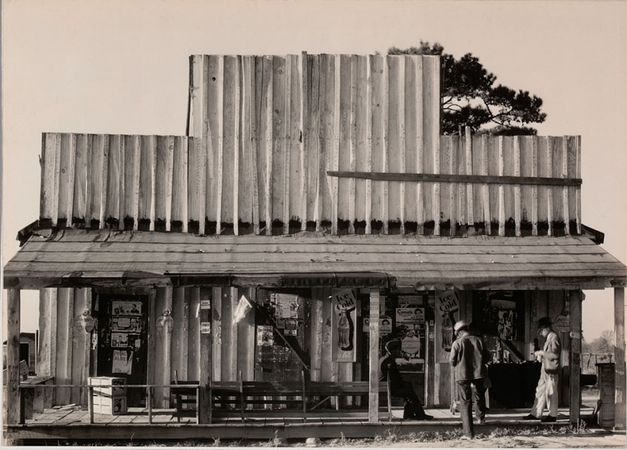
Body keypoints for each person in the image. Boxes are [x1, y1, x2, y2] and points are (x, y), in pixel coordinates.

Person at [449, 320, 491, 439]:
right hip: (479, 373)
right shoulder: (479, 340)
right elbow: (487, 357)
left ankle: (468, 433)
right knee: (479, 395)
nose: (456, 335)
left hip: (463, 375)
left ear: (460, 331)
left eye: (457, 332)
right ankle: (480, 418)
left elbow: (452, 361)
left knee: (465, 402)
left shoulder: (457, 343)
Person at [380, 339, 433, 420]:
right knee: (409, 391)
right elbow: (394, 377)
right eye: (398, 349)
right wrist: (403, 383)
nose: (399, 351)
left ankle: (411, 414)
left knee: (408, 389)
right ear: (393, 350)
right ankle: (418, 414)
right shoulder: (388, 362)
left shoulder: (385, 359)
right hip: (388, 387)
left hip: (387, 385)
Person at [524, 317, 561, 422]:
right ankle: (536, 413)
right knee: (540, 392)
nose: (540, 333)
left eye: (541, 331)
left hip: (551, 371)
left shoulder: (554, 338)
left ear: (546, 328)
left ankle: (553, 415)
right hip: (545, 370)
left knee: (552, 393)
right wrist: (542, 356)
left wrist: (541, 353)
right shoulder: (549, 338)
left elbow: (555, 355)